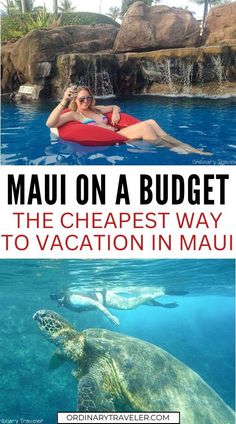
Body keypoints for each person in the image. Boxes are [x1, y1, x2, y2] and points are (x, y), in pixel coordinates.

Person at [46, 85, 211, 155]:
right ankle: (175, 149)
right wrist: (63, 101)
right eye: (81, 99)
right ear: (75, 100)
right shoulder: (76, 115)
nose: (85, 101)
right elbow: (50, 123)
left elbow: (113, 107)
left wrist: (116, 112)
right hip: (118, 137)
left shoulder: (96, 109)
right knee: (146, 126)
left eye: (88, 98)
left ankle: (185, 146)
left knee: (152, 121)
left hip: (118, 131)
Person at [50, 288, 179, 326]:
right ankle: (155, 302)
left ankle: (160, 292)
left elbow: (96, 303)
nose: (60, 304)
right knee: (132, 304)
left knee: (129, 306)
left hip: (106, 299)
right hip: (105, 296)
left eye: (59, 301)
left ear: (61, 297)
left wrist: (110, 316)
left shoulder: (73, 300)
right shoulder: (67, 300)